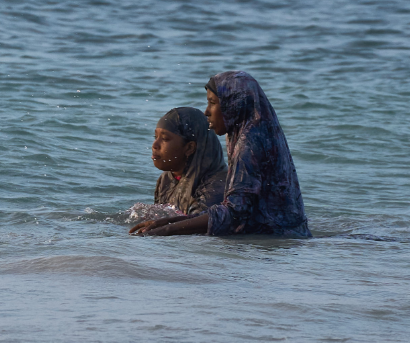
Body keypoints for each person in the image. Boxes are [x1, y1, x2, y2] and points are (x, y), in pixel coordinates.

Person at [131, 72, 311, 238]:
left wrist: (168, 230)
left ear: (234, 104)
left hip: (274, 241)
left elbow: (234, 213)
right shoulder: (254, 134)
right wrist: (167, 222)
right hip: (282, 242)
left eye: (212, 103)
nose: (206, 112)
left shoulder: (249, 144)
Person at [135, 105, 227, 226]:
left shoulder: (216, 187)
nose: (155, 145)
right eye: (155, 137)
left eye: (165, 139)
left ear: (189, 148)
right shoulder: (166, 180)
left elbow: (200, 228)